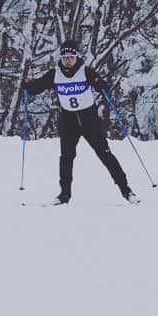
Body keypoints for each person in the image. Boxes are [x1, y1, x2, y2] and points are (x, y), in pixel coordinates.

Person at [22, 39, 138, 205]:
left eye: (71, 57)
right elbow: (37, 87)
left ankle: (126, 190)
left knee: (104, 154)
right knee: (66, 157)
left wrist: (100, 84)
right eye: (64, 57)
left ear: (76, 56)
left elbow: (101, 83)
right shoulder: (55, 74)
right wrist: (28, 86)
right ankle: (64, 195)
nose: (67, 60)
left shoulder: (85, 71)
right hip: (68, 120)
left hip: (88, 119)